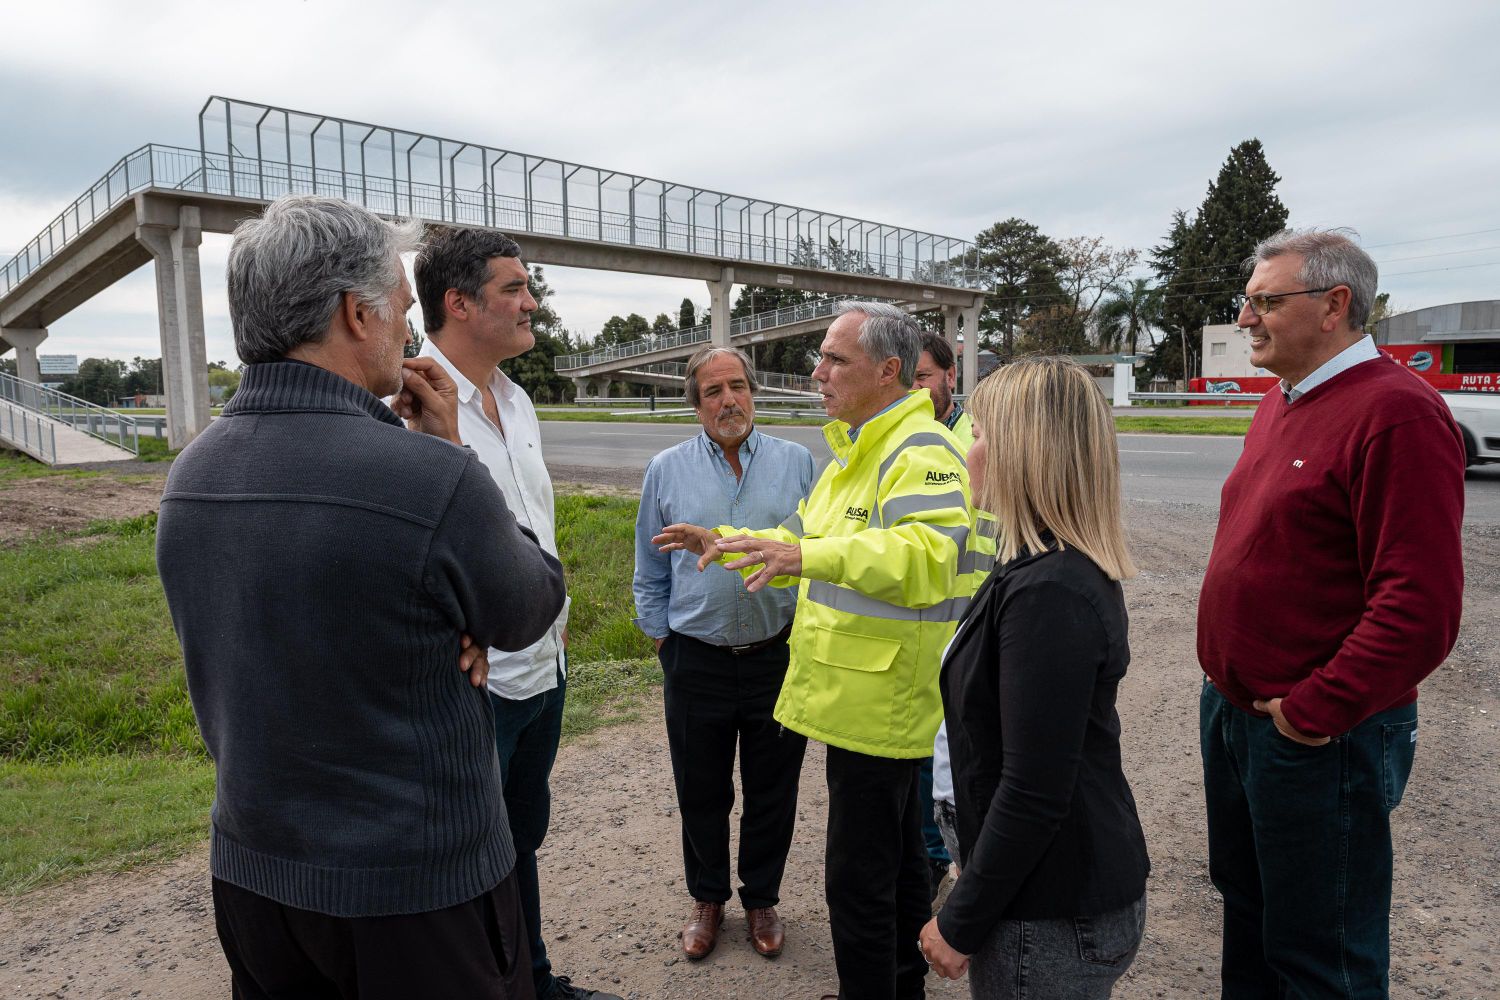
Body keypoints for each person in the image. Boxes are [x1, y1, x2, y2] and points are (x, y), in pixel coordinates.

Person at [156, 195, 566, 1000]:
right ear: (355, 312)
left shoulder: (190, 477)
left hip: (254, 875)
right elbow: (527, 606)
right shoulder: (427, 476)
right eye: (402, 310)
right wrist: (452, 460)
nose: (408, 333)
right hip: (416, 893)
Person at [654, 301, 980, 1000]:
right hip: (853, 703)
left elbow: (927, 556)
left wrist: (805, 554)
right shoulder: (852, 452)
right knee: (891, 874)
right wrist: (729, 544)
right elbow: (796, 537)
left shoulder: (917, 451)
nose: (818, 372)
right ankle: (896, 986)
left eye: (835, 359)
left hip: (885, 704)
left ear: (888, 371)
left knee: (859, 888)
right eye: (821, 357)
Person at [1197, 229, 1465, 998]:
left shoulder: (1397, 414)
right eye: (1247, 301)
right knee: (1252, 920)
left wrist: (1316, 711)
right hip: (1239, 714)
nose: (1245, 318)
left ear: (1334, 305)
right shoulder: (1288, 400)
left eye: (1263, 301)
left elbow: (1420, 607)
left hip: (1319, 734)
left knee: (1323, 955)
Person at [410, 228, 617, 1000]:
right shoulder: (409, 404)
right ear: (458, 303)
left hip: (543, 670)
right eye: (514, 288)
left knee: (519, 840)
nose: (532, 301)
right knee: (467, 856)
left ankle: (530, 979)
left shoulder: (517, 397)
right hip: (474, 686)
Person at [919, 356, 1150, 998]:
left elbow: (1034, 790)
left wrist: (961, 921)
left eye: (982, 434)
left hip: (1050, 914)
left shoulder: (1051, 592)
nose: (969, 451)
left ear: (1029, 452)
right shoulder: (1033, 565)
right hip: (1040, 889)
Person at [632, 346, 815, 960]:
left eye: (738, 386)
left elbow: (819, 556)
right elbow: (648, 567)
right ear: (697, 404)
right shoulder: (666, 468)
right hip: (696, 658)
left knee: (774, 787)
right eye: (714, 391)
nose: (729, 400)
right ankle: (707, 899)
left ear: (753, 392)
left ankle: (761, 898)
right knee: (701, 788)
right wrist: (664, 640)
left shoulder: (798, 464)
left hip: (777, 656)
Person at [914, 330, 972, 445]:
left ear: (950, 376)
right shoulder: (891, 436)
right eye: (904, 379)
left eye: (922, 376)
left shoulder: (979, 440)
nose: (912, 388)